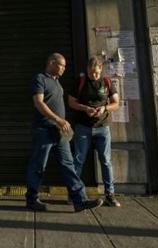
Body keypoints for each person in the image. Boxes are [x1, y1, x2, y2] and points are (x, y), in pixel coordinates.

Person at [25, 53, 103, 212]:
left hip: (60, 133)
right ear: (52, 62)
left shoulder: (57, 83)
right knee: (38, 166)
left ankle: (80, 201)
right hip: (43, 130)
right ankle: (32, 200)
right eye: (62, 65)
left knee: (69, 166)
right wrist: (58, 119)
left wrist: (61, 123)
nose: (64, 69)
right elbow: (39, 103)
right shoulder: (39, 79)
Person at [68, 55, 121, 207]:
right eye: (91, 73)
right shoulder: (80, 82)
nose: (94, 75)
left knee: (106, 161)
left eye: (97, 72)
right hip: (83, 128)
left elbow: (116, 103)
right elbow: (71, 102)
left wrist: (104, 108)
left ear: (101, 69)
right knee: (78, 161)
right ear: (87, 70)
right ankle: (74, 194)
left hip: (102, 128)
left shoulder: (107, 82)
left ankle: (110, 195)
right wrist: (85, 109)